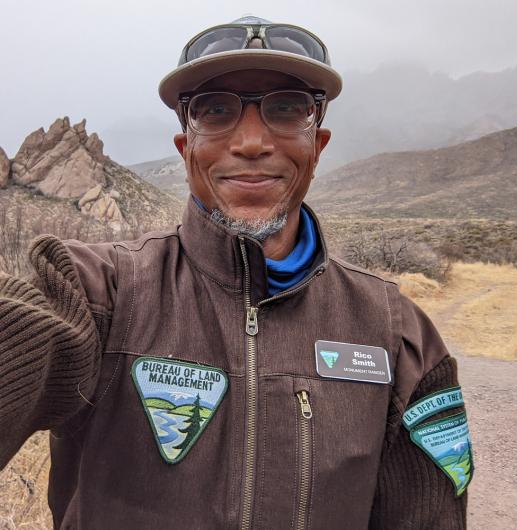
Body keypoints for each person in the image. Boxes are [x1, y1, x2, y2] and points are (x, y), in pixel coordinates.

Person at [0, 15, 473, 529]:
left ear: (319, 145)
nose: (251, 141)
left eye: (287, 108)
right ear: (186, 150)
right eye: (216, 110)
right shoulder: (100, 292)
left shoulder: (400, 336)